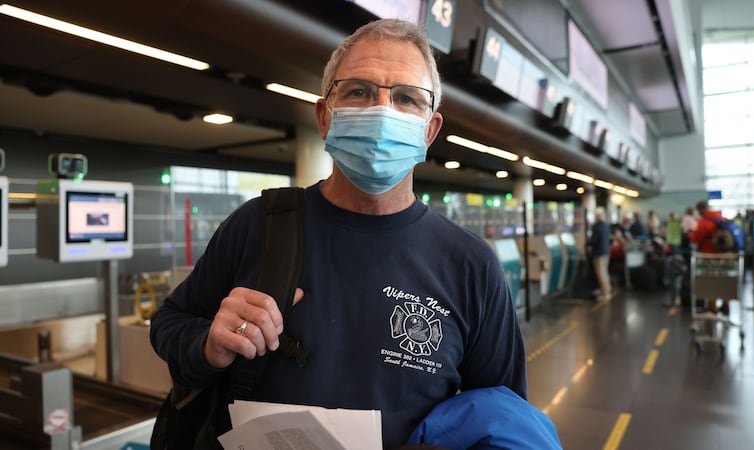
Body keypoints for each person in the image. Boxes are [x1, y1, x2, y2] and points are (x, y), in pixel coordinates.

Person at [149, 18, 528, 449]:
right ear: (324, 117)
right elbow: (168, 323)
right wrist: (207, 345)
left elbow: (505, 422)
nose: (382, 111)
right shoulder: (258, 224)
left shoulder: (470, 265)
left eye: (406, 98)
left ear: (430, 130)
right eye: (359, 91)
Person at [690, 200, 730, 314]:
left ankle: (712, 306)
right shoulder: (720, 217)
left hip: (709, 256)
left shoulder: (704, 222)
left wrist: (691, 235)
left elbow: (695, 239)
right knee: (724, 280)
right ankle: (725, 303)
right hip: (725, 256)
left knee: (711, 281)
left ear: (700, 209)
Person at [590, 209, 613, 301]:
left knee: (600, 273)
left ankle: (605, 294)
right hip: (607, 251)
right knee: (605, 272)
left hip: (599, 252)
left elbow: (594, 240)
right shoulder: (606, 226)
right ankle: (607, 289)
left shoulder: (596, 226)